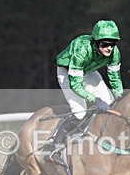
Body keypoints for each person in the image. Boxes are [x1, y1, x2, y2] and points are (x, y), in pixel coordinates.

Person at [45, 20, 124, 156]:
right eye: (105, 44)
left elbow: (115, 78)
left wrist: (121, 96)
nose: (109, 48)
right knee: (80, 113)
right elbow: (75, 84)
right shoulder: (82, 48)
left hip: (89, 71)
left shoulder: (114, 53)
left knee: (110, 104)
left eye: (112, 44)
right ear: (96, 41)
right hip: (67, 72)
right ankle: (54, 145)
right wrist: (94, 99)